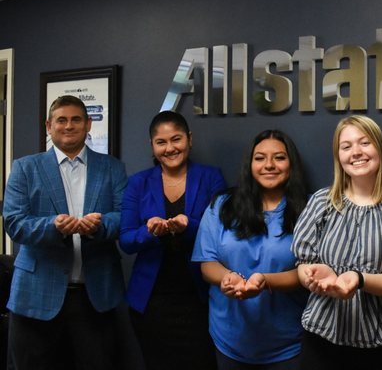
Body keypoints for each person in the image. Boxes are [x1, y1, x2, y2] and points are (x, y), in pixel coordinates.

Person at [291, 115, 382, 370]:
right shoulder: (321, 202)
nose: (356, 152)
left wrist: (359, 279)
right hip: (324, 339)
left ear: (380, 149)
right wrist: (313, 276)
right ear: (338, 156)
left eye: (365, 143)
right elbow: (303, 265)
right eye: (346, 146)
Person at [3, 95, 127, 370]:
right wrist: (52, 226)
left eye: (76, 119)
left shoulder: (112, 167)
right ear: (49, 125)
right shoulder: (25, 167)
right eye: (61, 120)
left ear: (88, 124)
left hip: (95, 297)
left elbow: (124, 217)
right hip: (36, 296)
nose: (68, 126)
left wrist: (100, 225)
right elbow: (14, 223)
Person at [193, 130, 308, 370]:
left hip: (287, 343)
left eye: (279, 157)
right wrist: (226, 278)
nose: (269, 165)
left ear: (291, 164)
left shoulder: (309, 209)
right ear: (250, 164)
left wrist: (265, 281)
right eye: (260, 158)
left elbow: (309, 273)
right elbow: (207, 262)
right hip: (229, 340)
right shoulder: (222, 205)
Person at [119, 110, 225, 370]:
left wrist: (189, 227)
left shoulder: (211, 177)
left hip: (199, 298)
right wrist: (149, 231)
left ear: (189, 139)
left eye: (176, 139)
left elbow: (222, 233)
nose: (170, 148)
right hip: (152, 301)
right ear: (152, 145)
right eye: (161, 142)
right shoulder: (138, 183)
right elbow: (126, 239)